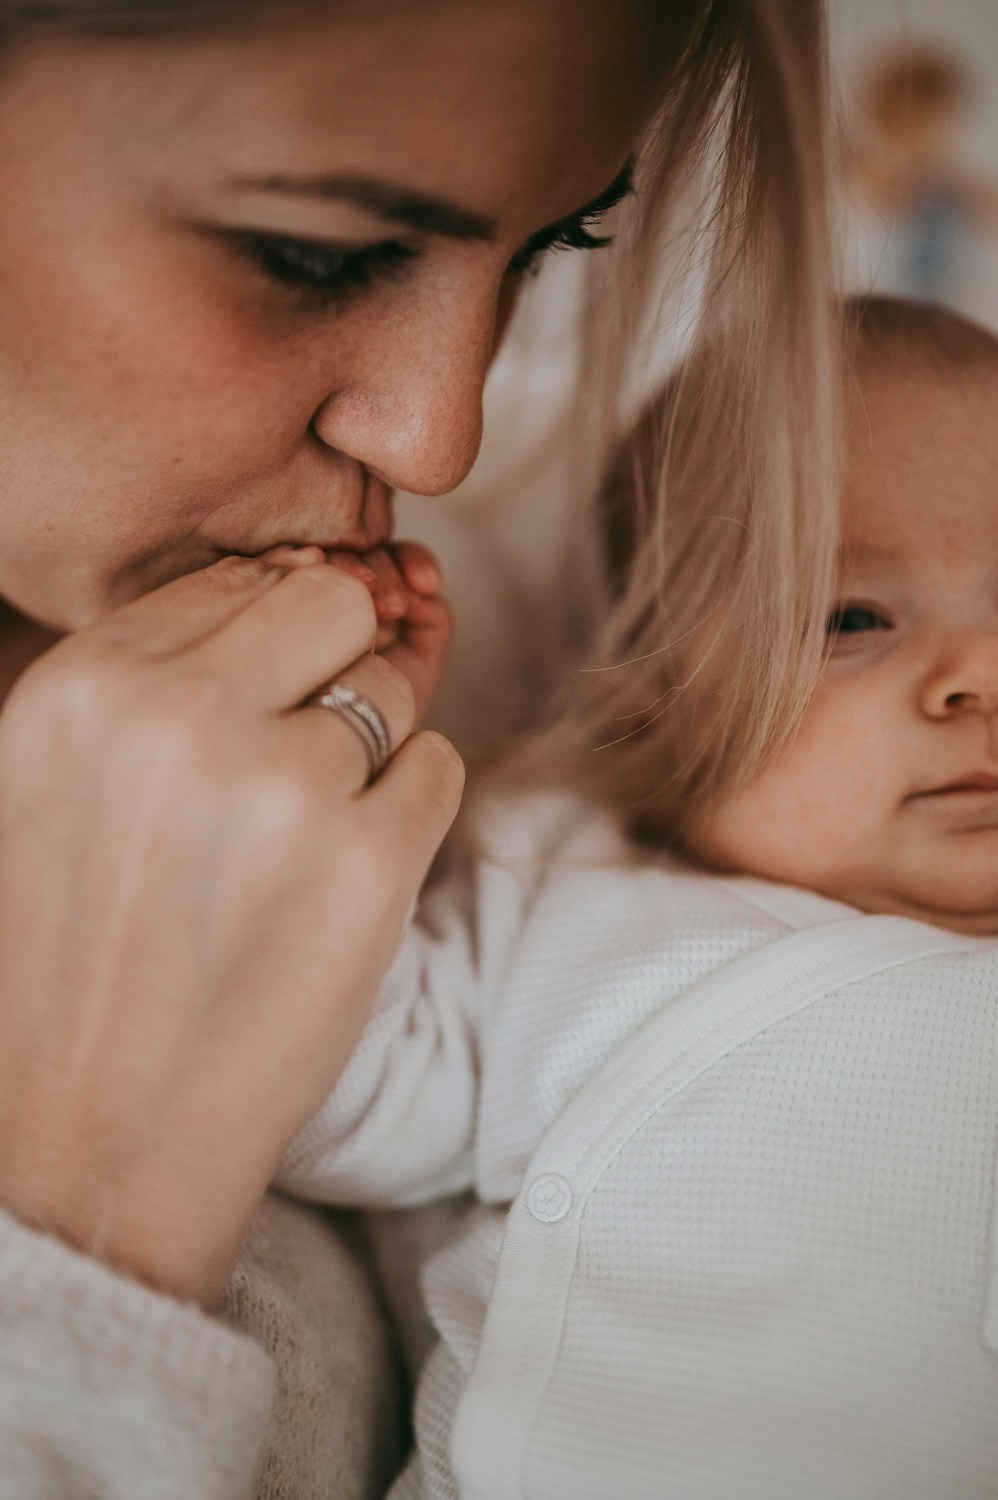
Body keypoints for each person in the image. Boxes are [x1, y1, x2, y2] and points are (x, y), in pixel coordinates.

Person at [0, 0, 840, 1495]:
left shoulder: (596, 618)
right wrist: (83, 1232)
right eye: (314, 253)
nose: (434, 438)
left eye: (548, 250)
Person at [278, 298, 998, 1498]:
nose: (976, 675)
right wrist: (321, 747)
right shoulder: (561, 887)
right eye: (851, 618)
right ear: (657, 699)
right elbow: (326, 1100)